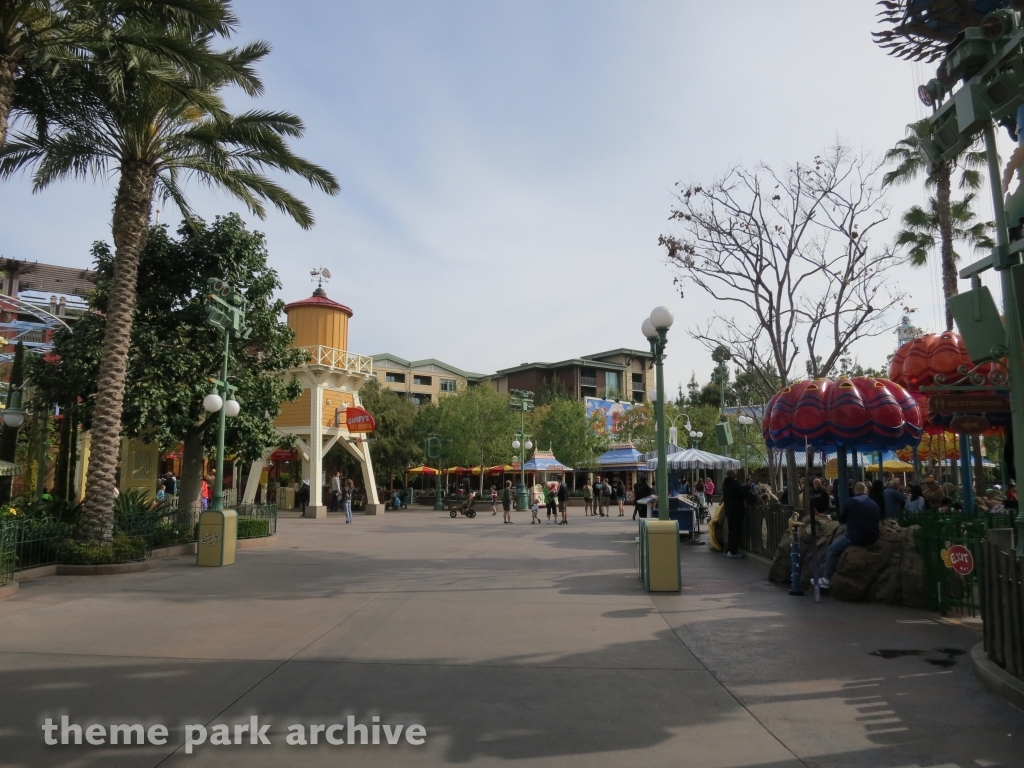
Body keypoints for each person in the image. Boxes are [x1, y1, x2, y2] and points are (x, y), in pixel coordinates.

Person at [820, 481, 880, 589]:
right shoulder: (874, 503)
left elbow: (842, 520)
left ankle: (826, 579)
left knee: (832, 549)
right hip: (873, 537)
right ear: (866, 491)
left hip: (856, 537)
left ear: (854, 491)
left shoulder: (851, 502)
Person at [722, 469, 750, 558]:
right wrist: (747, 487)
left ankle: (728, 550)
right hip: (737, 510)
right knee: (736, 531)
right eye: (734, 473)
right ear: (732, 474)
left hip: (729, 511)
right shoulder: (734, 484)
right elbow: (743, 494)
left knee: (731, 531)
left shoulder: (725, 484)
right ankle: (733, 551)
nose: (736, 474)